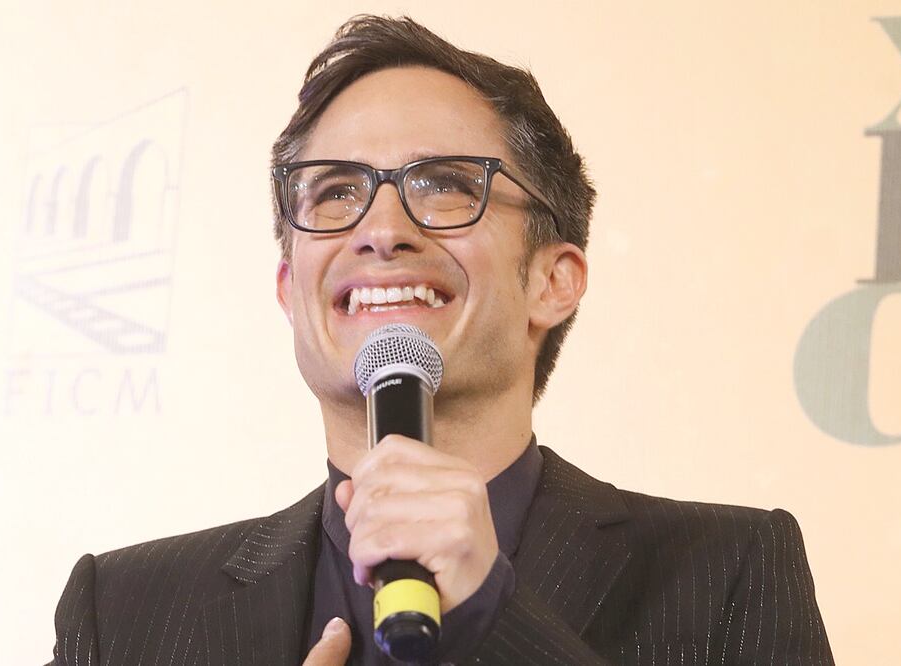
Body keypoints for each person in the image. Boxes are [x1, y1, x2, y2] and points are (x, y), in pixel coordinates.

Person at [48, 15, 833, 665]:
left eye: (447, 186)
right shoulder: (122, 613)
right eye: (336, 193)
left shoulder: (724, 570)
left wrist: (495, 616)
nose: (382, 229)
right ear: (291, 290)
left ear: (552, 281)